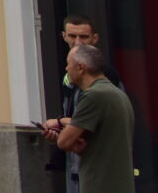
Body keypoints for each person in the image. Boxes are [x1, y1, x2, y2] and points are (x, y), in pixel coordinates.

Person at [53, 44, 132, 193]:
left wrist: (60, 126)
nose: (66, 69)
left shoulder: (93, 96)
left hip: (100, 186)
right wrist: (77, 145)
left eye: (68, 64)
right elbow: (101, 145)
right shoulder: (118, 94)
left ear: (81, 68)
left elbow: (63, 142)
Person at [38, 15, 100, 190]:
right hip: (75, 164)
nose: (78, 43)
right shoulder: (69, 78)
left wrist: (59, 122)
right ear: (64, 36)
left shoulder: (103, 80)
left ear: (95, 38)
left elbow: (89, 124)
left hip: (93, 166)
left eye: (84, 37)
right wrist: (59, 133)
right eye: (73, 36)